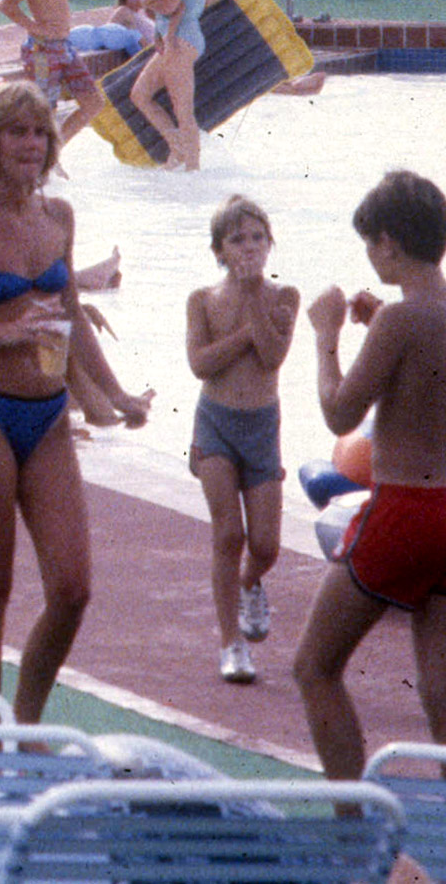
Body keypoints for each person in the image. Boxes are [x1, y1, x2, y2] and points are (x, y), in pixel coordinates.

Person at [0, 82, 151, 723]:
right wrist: (0, 333)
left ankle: (28, 721)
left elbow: (69, 311)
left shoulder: (58, 218)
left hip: (48, 419)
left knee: (72, 589)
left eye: (40, 132)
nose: (31, 144)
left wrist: (117, 392)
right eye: (17, 131)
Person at [293, 169, 446, 776]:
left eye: (371, 245)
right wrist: (381, 331)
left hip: (405, 511)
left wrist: (325, 339)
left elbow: (339, 411)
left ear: (389, 242)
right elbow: (439, 378)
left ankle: (355, 825)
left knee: (315, 667)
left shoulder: (400, 321)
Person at [186, 194, 299, 686]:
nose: (249, 246)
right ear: (219, 250)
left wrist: (255, 301)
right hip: (214, 423)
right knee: (227, 533)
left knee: (267, 544)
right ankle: (231, 643)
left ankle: (251, 581)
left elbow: (273, 356)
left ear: (270, 244)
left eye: (257, 237)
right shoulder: (203, 300)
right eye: (237, 239)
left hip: (262, 426)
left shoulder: (284, 297)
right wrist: (240, 337)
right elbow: (200, 363)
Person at [129, 0, 235, 171]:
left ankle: (193, 168)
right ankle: (176, 151)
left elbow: (170, 5)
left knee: (182, 110)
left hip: (177, 40)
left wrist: (150, 2)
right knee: (140, 94)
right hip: (186, 36)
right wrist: (199, 7)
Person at [0, 0, 106, 146]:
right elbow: (5, 3)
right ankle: (39, 159)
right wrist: (34, 26)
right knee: (44, 111)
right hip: (43, 50)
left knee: (93, 102)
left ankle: (53, 150)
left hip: (64, 46)